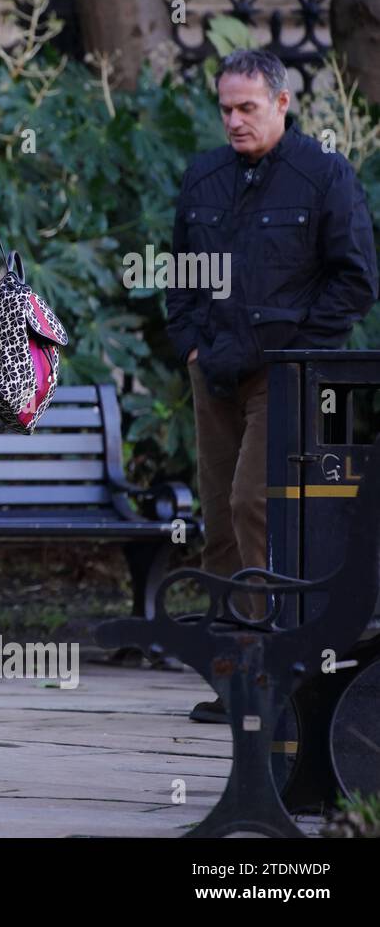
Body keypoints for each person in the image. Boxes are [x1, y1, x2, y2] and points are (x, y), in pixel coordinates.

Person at [166, 48, 377, 723]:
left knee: (256, 506)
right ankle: (233, 677)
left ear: (282, 103)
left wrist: (299, 354)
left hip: (288, 373)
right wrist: (192, 345)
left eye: (247, 107)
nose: (234, 120)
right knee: (220, 520)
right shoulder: (203, 177)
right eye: (225, 108)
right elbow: (179, 276)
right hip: (216, 370)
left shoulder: (323, 176)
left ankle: (271, 676)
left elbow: (355, 282)